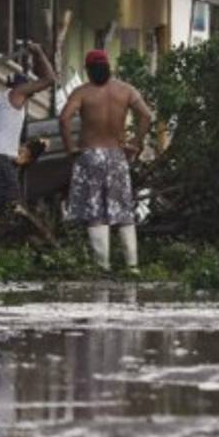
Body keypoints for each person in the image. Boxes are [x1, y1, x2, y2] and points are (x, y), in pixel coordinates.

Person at [60, 49, 153, 275]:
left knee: (95, 212)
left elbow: (63, 118)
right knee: (122, 210)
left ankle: (103, 267)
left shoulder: (82, 92)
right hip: (116, 155)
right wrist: (136, 142)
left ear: (88, 70)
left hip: (90, 155)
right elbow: (147, 116)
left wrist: (70, 148)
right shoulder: (125, 90)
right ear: (108, 67)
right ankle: (133, 267)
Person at [0, 41, 56, 221]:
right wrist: (39, 52)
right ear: (21, 87)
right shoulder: (17, 94)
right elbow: (50, 79)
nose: (30, 95)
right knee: (12, 208)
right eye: (29, 92)